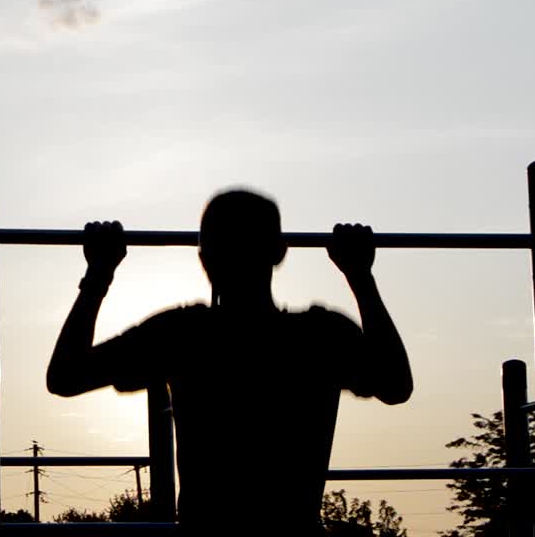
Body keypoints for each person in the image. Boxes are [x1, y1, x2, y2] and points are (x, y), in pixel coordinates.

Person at [46, 188, 413, 534]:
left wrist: (98, 275)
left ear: (204, 258)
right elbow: (396, 384)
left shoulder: (183, 334)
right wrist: (361, 276)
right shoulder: (320, 335)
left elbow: (65, 376)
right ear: (279, 251)